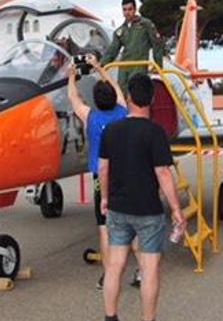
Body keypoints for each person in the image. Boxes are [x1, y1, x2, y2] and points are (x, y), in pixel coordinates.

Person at [98, 73, 184, 321]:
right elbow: (164, 173)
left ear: (127, 97)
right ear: (152, 99)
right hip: (148, 210)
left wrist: (105, 197)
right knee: (149, 269)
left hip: (118, 207)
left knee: (114, 266)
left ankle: (110, 316)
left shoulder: (111, 131)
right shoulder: (156, 132)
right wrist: (177, 209)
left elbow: (104, 168)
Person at [67, 53, 128, 291]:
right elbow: (116, 87)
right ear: (114, 98)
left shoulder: (90, 116)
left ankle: (108, 275)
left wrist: (71, 76)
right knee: (129, 225)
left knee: (104, 228)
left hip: (100, 179)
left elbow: (73, 98)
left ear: (95, 101)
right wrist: (98, 67)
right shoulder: (123, 111)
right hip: (126, 176)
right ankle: (142, 271)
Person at [100, 0, 165, 87]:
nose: (127, 12)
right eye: (124, 10)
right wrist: (101, 64)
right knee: (123, 92)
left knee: (137, 92)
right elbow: (112, 50)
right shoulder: (120, 31)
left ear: (135, 10)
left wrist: (158, 65)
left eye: (130, 9)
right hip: (124, 67)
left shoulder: (145, 24)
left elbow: (157, 44)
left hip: (139, 66)